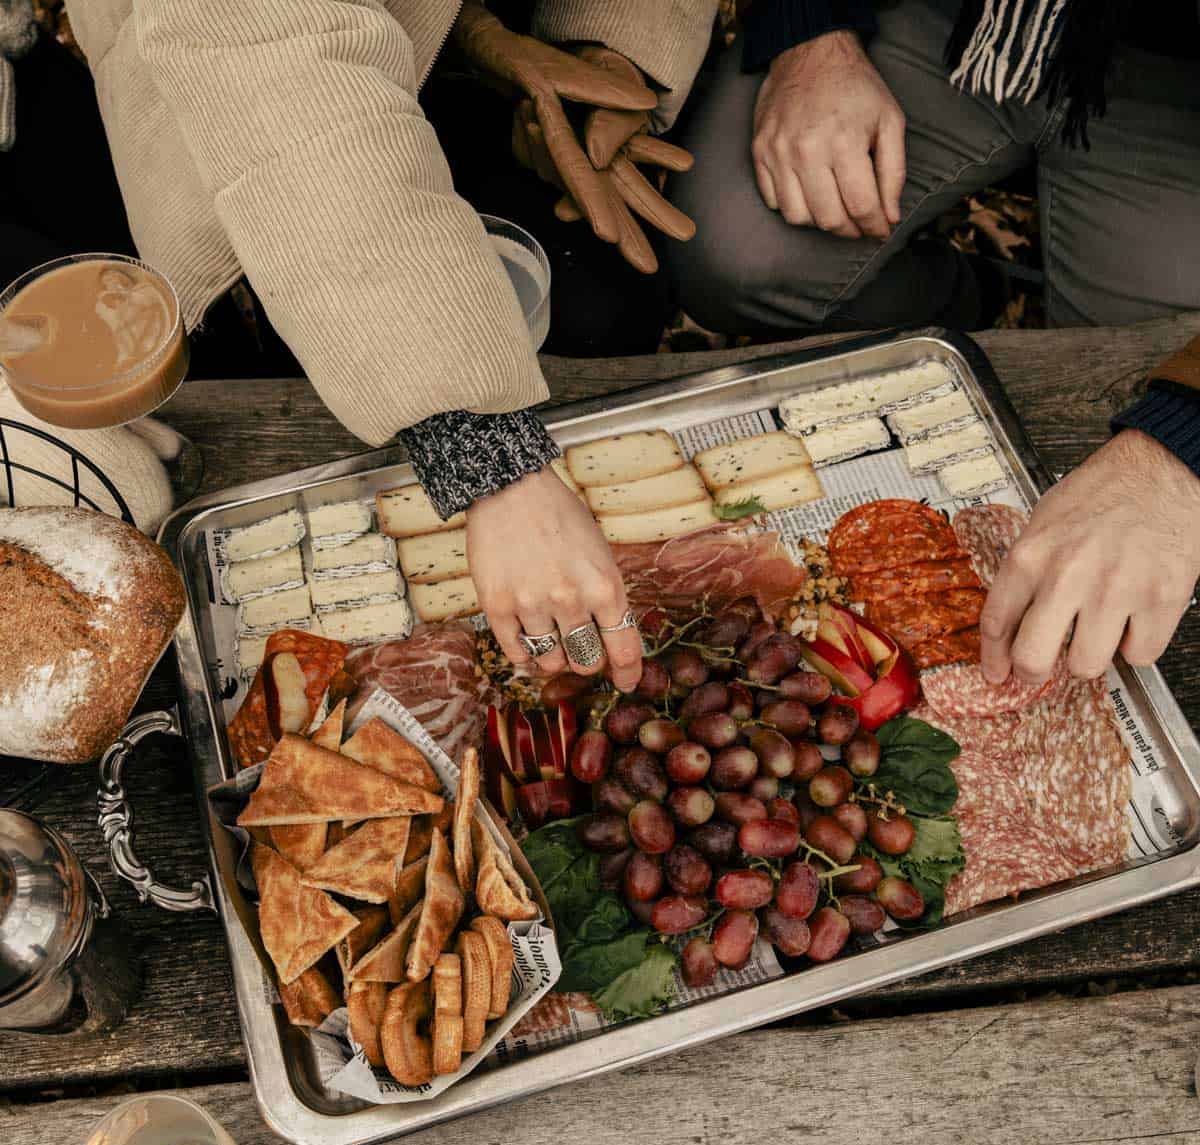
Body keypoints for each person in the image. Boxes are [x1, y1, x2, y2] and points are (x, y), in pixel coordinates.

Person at [67, 0, 720, 688]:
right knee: (303, 368)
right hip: (265, 114)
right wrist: (485, 453)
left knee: (604, 302)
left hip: (467, 43)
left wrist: (608, 51)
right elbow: (277, 76)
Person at [666, 0, 1200, 688]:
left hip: (1176, 100)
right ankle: (967, 303)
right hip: (945, 14)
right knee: (735, 256)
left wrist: (1180, 449)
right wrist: (809, 33)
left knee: (1138, 381)